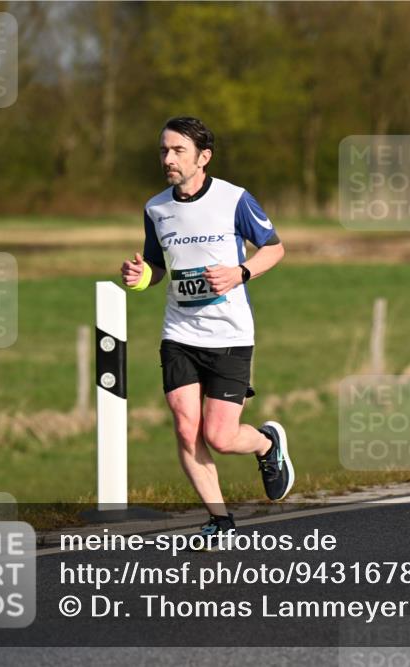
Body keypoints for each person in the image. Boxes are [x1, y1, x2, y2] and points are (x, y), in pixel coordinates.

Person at [120, 116, 293, 542]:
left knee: (219, 436)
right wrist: (140, 276)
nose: (168, 159)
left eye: (178, 150)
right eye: (164, 150)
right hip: (179, 332)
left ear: (204, 157)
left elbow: (275, 249)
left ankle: (267, 444)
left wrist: (240, 273)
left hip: (229, 334)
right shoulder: (156, 208)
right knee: (184, 426)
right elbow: (158, 269)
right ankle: (220, 521)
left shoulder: (234, 199)